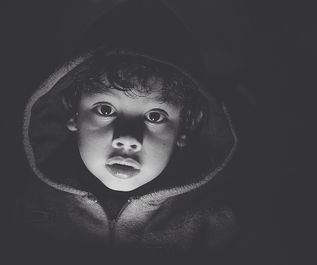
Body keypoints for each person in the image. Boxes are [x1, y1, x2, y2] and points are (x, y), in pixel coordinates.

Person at [16, 0, 239, 263]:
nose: (127, 138)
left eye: (155, 116)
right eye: (105, 110)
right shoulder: (29, 204)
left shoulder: (214, 224)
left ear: (184, 129)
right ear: (74, 114)